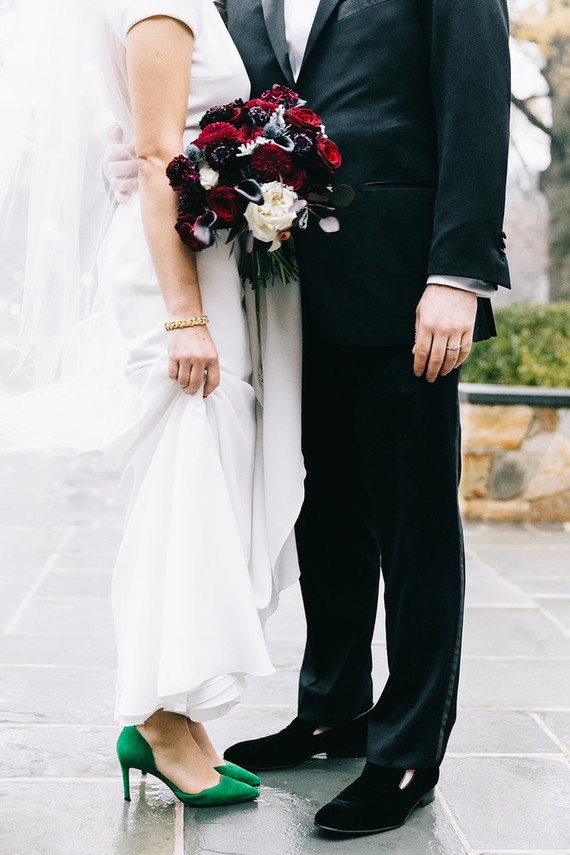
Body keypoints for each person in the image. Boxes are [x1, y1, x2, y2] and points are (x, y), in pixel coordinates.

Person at [106, 0, 511, 835]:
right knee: (323, 511)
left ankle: (406, 749)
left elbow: (477, 96)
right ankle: (332, 709)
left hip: (405, 281)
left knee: (414, 522)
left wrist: (458, 275)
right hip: (281, 292)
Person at [0, 0, 305, 808]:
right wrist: (184, 315)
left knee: (199, 479)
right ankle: (156, 720)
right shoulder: (158, 4)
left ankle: (177, 712)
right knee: (185, 485)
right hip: (178, 279)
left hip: (201, 262)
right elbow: (159, 153)